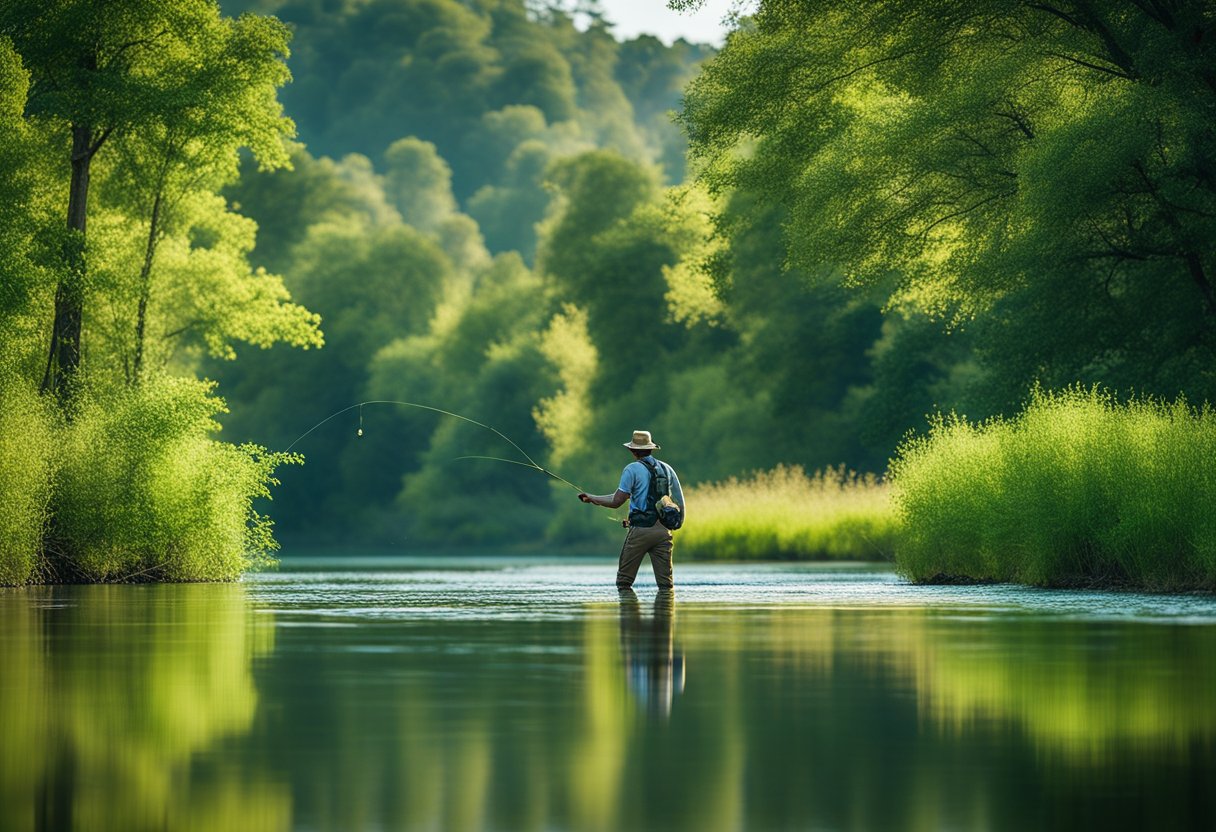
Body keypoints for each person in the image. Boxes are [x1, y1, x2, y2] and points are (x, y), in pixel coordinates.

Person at [578, 430, 685, 589]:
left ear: (632, 450)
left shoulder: (632, 469)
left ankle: (629, 611)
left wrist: (593, 498)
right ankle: (665, 611)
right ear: (650, 448)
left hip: (640, 532)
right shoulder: (666, 469)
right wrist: (593, 498)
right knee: (666, 585)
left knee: (624, 582)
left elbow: (616, 501)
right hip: (664, 532)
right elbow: (674, 500)